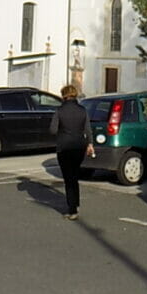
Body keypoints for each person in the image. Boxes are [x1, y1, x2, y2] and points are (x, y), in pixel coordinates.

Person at [50, 84, 94, 220]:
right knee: (74, 175)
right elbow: (87, 129)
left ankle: (72, 209)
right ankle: (76, 202)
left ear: (64, 96)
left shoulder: (59, 110)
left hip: (64, 147)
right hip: (79, 146)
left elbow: (52, 130)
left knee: (68, 178)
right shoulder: (82, 110)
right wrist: (90, 144)